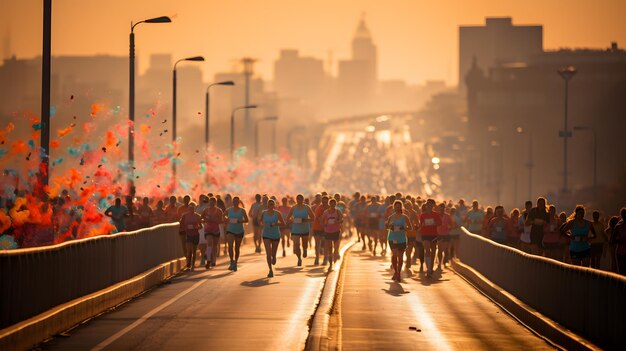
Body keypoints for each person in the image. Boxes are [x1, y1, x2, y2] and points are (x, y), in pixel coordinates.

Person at [286, 194, 315, 266]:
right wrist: (293, 220)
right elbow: (287, 219)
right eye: (297, 199)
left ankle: (305, 250)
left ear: (303, 200)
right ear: (296, 200)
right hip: (295, 230)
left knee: (305, 244)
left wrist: (305, 220)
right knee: (296, 245)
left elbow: (313, 218)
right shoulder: (293, 208)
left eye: (300, 199)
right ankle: (299, 258)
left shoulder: (307, 207)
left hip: (304, 229)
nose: (299, 200)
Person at [387, 200, 412, 282]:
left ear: (401, 207)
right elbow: (387, 226)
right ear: (394, 207)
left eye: (399, 206)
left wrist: (404, 228)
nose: (397, 208)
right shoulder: (391, 217)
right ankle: (396, 271)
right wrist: (390, 226)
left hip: (401, 239)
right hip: (392, 238)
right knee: (394, 255)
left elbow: (410, 228)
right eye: (396, 206)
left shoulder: (405, 217)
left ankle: (398, 273)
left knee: (400, 257)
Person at [260, 199, 286, 277]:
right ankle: (270, 270)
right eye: (269, 204)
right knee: (268, 253)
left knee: (273, 254)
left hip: (275, 235)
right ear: (267, 205)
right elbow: (260, 222)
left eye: (272, 204)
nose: (271, 206)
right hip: (266, 234)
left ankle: (274, 257)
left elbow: (283, 223)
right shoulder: (264, 213)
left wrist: (275, 224)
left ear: (274, 205)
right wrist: (263, 224)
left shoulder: (277, 213)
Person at [225, 196, 249, 271]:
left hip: (239, 230)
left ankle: (235, 262)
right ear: (233, 202)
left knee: (237, 248)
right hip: (230, 230)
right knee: (230, 245)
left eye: (236, 201)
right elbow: (223, 215)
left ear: (239, 202)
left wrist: (240, 221)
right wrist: (227, 219)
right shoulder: (229, 210)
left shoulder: (242, 210)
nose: (235, 202)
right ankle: (231, 261)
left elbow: (247, 220)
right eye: (234, 201)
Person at [419, 201, 442, 277]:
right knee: (427, 250)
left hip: (433, 234)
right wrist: (422, 225)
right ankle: (428, 269)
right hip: (425, 234)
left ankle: (431, 267)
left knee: (433, 251)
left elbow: (440, 223)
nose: (429, 206)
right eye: (428, 204)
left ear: (433, 206)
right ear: (426, 205)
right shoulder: (422, 215)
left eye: (431, 205)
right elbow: (420, 225)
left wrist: (434, 223)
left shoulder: (436, 214)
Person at [201, 197, 223, 269]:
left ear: (215, 202)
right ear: (209, 202)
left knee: (215, 245)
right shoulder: (206, 210)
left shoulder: (219, 210)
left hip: (216, 229)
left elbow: (221, 221)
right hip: (208, 229)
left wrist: (214, 220)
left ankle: (214, 260)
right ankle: (208, 260)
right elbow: (201, 218)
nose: (212, 203)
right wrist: (205, 219)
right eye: (211, 201)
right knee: (209, 243)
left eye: (213, 202)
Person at [322, 198, 343, 271]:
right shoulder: (326, 212)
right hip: (328, 231)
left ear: (335, 204)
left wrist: (337, 222)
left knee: (335, 247)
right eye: (331, 203)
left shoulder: (338, 211)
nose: (332, 205)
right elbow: (322, 220)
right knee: (329, 248)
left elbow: (341, 220)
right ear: (329, 204)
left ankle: (335, 256)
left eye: (334, 204)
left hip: (336, 231)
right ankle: (330, 264)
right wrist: (324, 224)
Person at [181, 203, 202, 270]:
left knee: (194, 251)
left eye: (192, 209)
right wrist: (186, 228)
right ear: (188, 209)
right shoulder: (184, 216)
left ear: (194, 209)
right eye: (190, 209)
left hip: (195, 235)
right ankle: (188, 264)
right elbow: (181, 225)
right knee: (189, 250)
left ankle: (193, 265)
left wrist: (196, 227)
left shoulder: (197, 216)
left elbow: (200, 226)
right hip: (188, 235)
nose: (191, 210)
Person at [312, 195, 329, 265]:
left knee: (326, 243)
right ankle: (317, 258)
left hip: (326, 228)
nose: (324, 203)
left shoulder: (330, 208)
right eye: (323, 201)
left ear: (328, 201)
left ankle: (325, 258)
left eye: (326, 201)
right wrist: (323, 223)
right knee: (317, 243)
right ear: (321, 201)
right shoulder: (319, 208)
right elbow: (318, 217)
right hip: (317, 227)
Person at [436, 203, 451, 269]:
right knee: (440, 249)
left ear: (444, 208)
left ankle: (445, 261)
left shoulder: (447, 216)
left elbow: (451, 224)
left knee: (445, 249)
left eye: (443, 208)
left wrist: (449, 227)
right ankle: (439, 262)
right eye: (440, 208)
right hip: (439, 234)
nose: (441, 209)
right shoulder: (436, 216)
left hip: (446, 234)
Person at [404, 201, 419, 270]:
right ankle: (408, 259)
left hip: (412, 233)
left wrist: (416, 226)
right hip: (404, 233)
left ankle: (408, 261)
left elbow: (417, 222)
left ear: (411, 206)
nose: (408, 207)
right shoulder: (403, 213)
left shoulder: (414, 213)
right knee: (406, 248)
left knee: (410, 248)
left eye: (409, 206)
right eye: (406, 206)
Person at [611, 208, 626, 275]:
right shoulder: (618, 226)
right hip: (620, 251)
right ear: (622, 215)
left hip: (620, 251)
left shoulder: (618, 226)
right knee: (621, 271)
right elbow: (613, 240)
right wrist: (620, 241)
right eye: (624, 214)